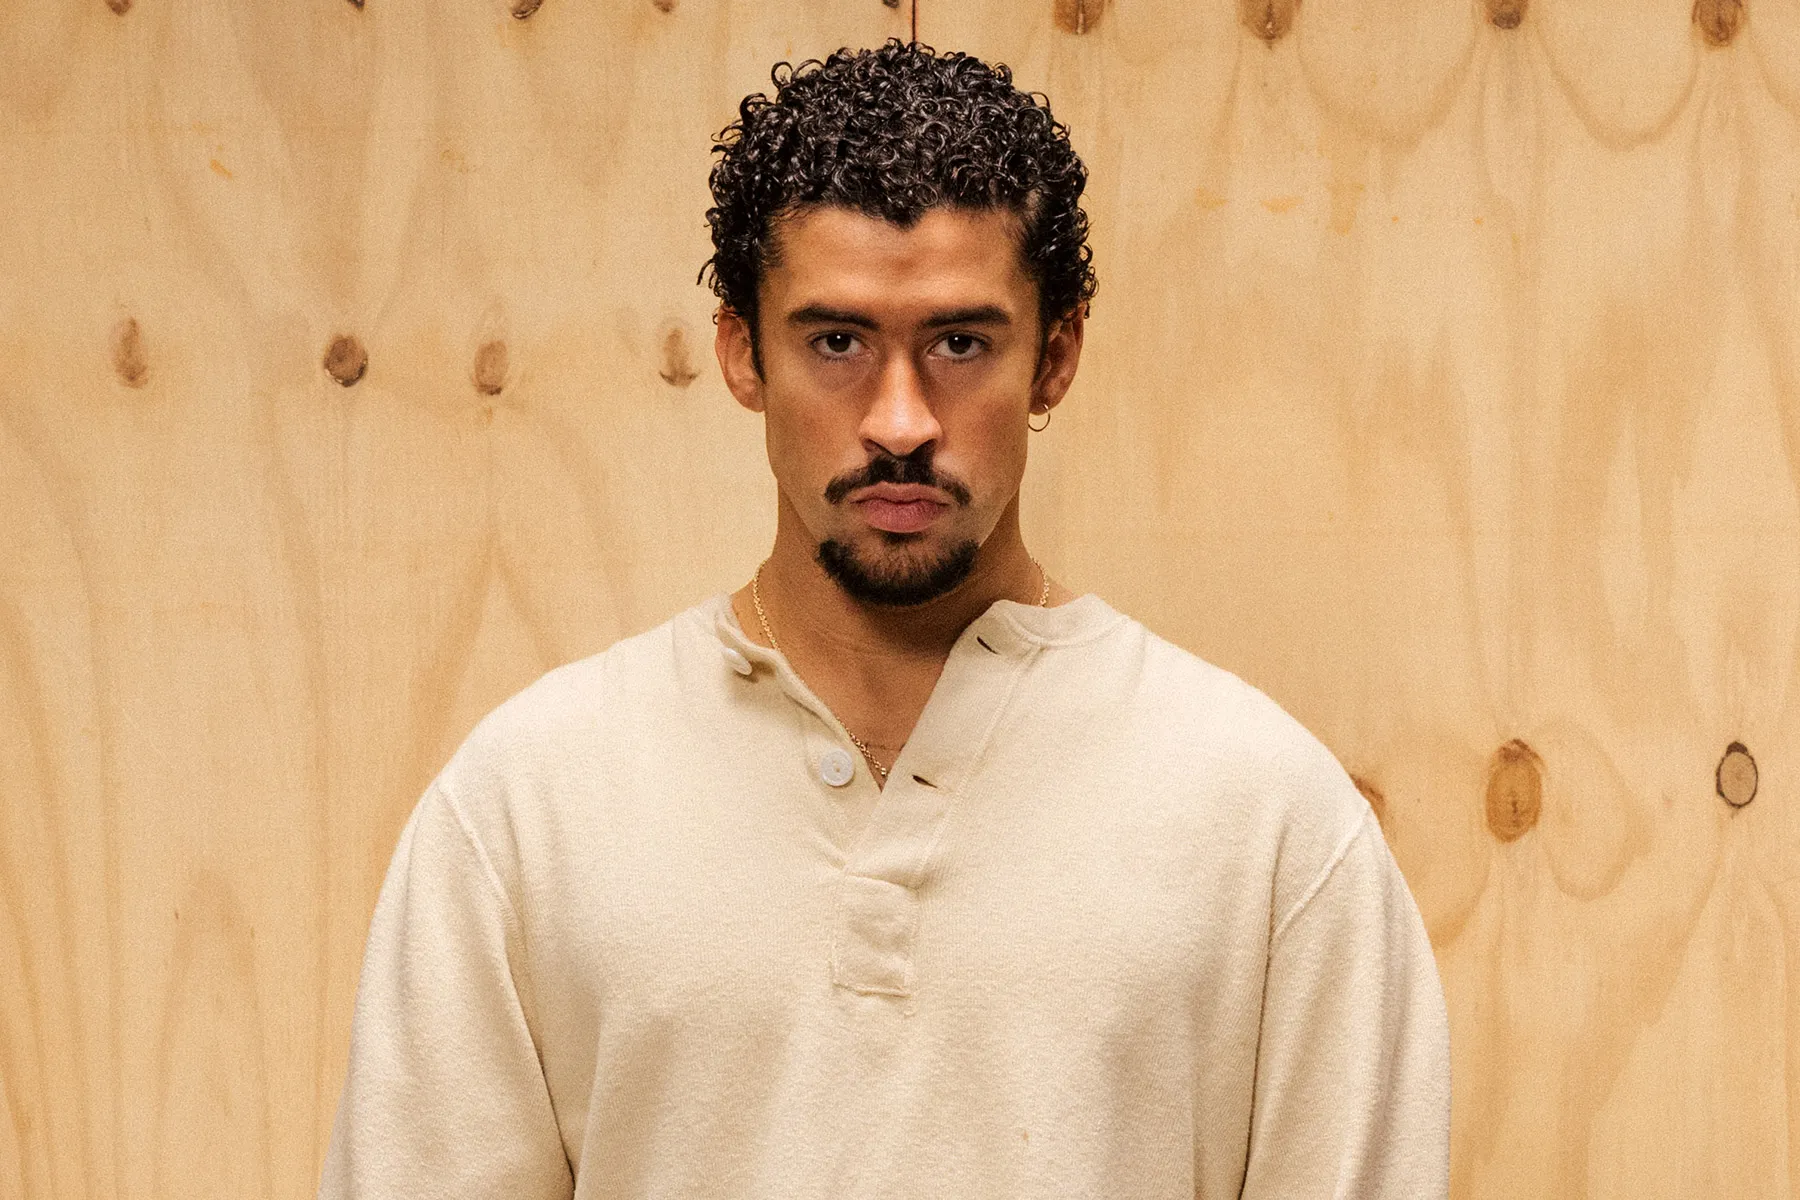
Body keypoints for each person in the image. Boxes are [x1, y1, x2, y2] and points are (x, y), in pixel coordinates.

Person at [319, 39, 1449, 1199]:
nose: (901, 422)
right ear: (741, 353)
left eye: (960, 344)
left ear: (1054, 356)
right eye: (837, 343)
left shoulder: (1266, 820)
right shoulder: (528, 807)